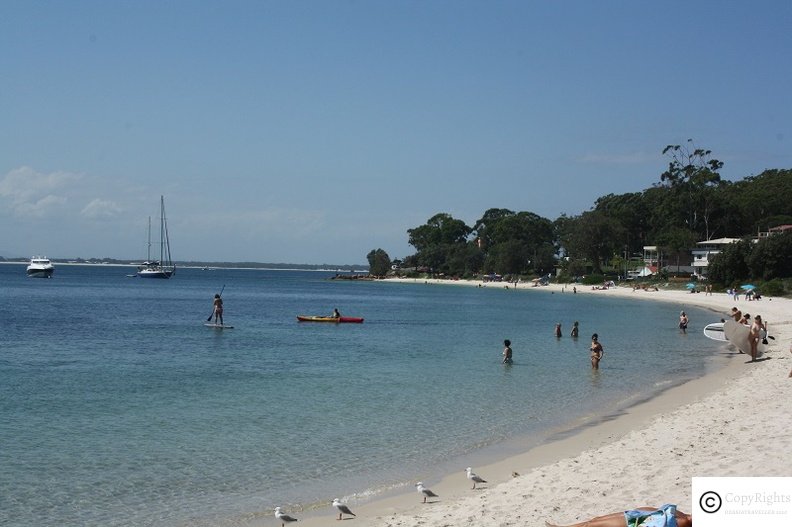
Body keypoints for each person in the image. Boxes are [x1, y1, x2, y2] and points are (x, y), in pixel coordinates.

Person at [545, 504, 692, 527]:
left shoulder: (685, 521)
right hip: (657, 515)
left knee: (592, 525)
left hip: (652, 522)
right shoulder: (684, 517)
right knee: (594, 521)